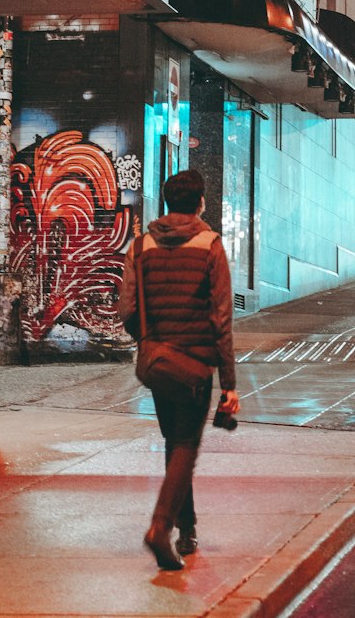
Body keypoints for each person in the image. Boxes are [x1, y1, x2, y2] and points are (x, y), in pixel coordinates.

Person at [118, 168, 239, 571]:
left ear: (168, 202)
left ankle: (187, 531)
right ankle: (160, 528)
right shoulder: (210, 245)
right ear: (201, 202)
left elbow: (127, 311)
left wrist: (151, 338)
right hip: (196, 366)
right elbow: (222, 319)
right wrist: (230, 384)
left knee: (175, 443)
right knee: (186, 444)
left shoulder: (141, 245)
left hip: (157, 363)